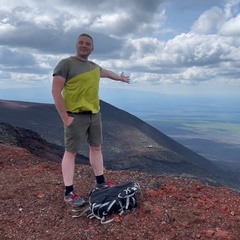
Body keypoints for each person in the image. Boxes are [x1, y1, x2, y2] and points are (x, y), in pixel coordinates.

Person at [52, 33, 130, 207]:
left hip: (94, 114)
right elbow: (56, 92)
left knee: (96, 148)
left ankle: (100, 182)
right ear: (76, 45)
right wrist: (65, 118)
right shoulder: (66, 63)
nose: (84, 46)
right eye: (81, 43)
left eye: (88, 44)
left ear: (92, 48)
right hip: (75, 115)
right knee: (70, 153)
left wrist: (120, 78)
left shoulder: (93, 66)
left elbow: (106, 73)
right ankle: (68, 192)